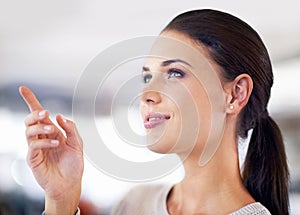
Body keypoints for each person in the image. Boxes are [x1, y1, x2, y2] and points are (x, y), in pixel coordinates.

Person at [19, 9, 289, 215]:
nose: (145, 95)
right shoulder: (136, 203)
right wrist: (60, 200)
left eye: (175, 73)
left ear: (235, 94)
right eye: (148, 77)